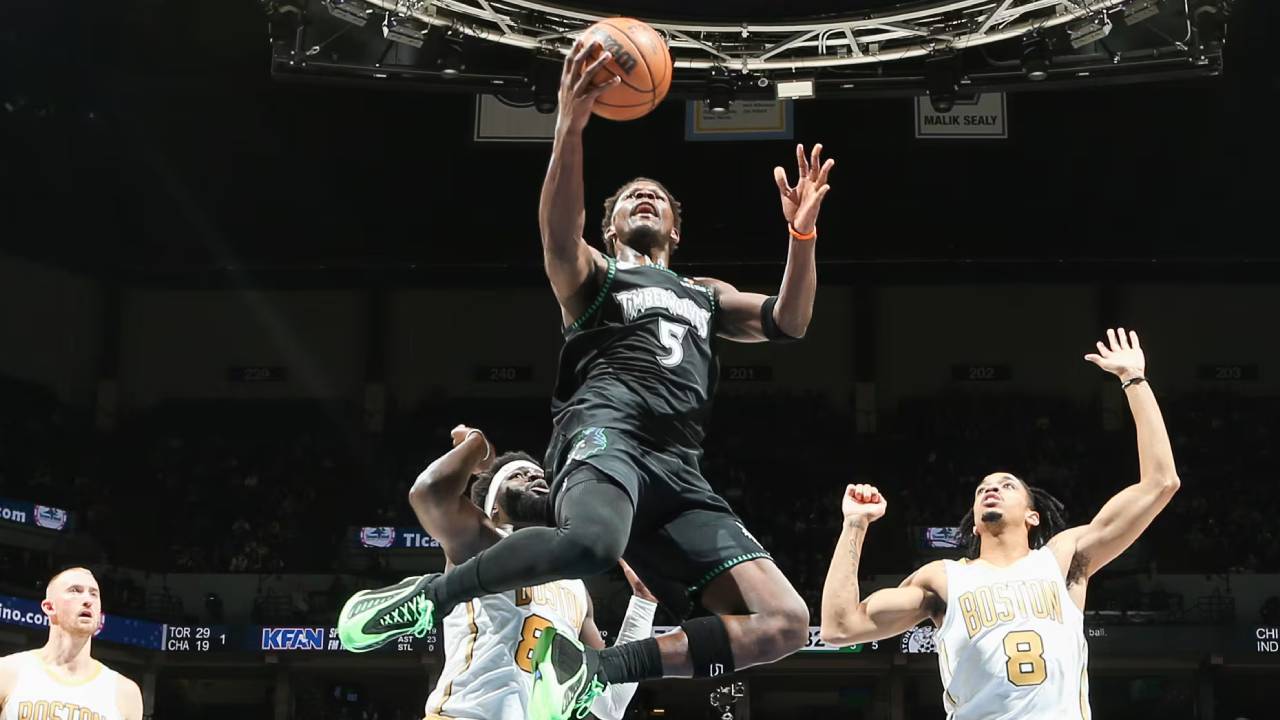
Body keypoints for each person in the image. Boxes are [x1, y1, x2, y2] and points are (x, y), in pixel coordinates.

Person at [338, 35, 836, 719]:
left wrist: (801, 240)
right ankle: (428, 598)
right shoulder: (595, 278)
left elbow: (789, 322)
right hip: (607, 433)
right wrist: (571, 124)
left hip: (679, 469)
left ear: (677, 230)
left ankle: (595, 670)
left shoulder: (703, 292)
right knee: (593, 544)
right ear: (606, 229)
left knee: (784, 622)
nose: (644, 199)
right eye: (630, 196)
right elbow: (555, 236)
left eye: (656, 196)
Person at [820, 328, 1181, 719]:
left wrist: (1135, 380)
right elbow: (839, 628)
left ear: (1032, 516)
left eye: (1007, 485)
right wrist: (854, 525)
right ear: (974, 524)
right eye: (981, 489)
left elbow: (1161, 483)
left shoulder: (1063, 559)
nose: (991, 490)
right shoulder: (942, 579)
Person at [354, 424, 657, 720]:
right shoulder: (484, 544)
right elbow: (429, 493)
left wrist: (643, 603)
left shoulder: (577, 588)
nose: (534, 477)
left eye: (539, 475)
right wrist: (476, 446)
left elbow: (610, 704)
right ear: (493, 508)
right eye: (518, 475)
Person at [0, 567, 144, 720]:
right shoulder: (7, 671)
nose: (88, 600)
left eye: (94, 594)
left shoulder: (125, 693)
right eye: (75, 590)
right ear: (49, 607)